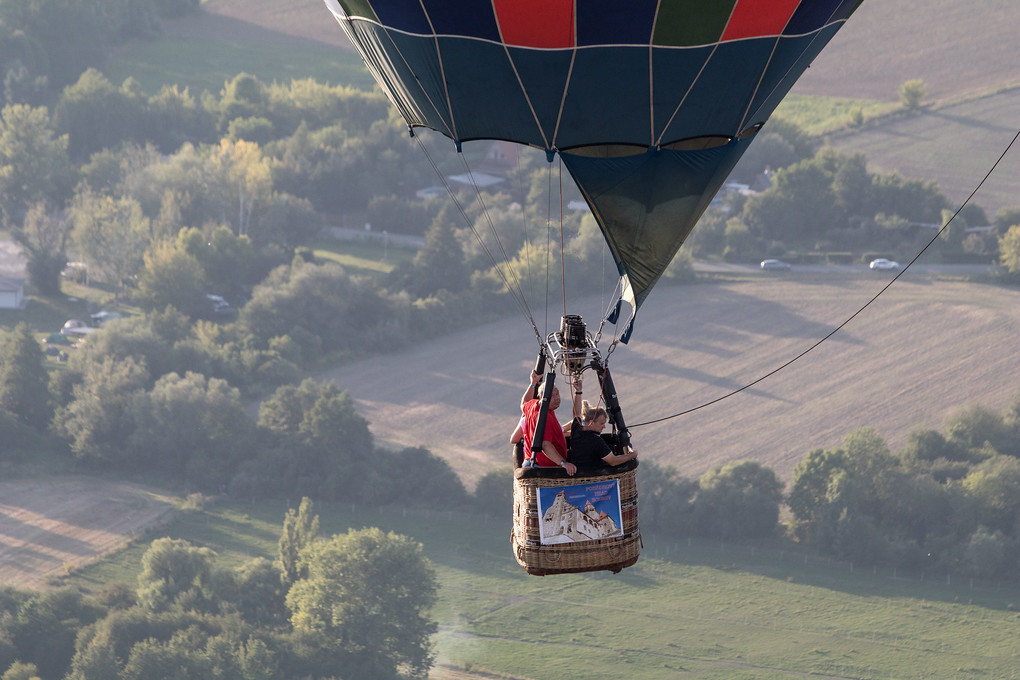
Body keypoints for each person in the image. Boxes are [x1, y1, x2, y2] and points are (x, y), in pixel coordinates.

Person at [520, 370, 580, 475]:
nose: (557, 398)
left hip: (531, 463)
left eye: (557, 394)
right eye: (552, 396)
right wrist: (563, 463)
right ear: (542, 398)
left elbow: (523, 403)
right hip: (542, 468)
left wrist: (533, 384)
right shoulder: (545, 416)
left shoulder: (533, 405)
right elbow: (545, 445)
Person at [568, 401, 638, 472]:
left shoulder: (576, 428)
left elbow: (576, 413)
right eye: (601, 424)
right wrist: (632, 455)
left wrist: (578, 391)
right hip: (592, 476)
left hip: (578, 471)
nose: (604, 427)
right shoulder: (595, 440)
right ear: (591, 423)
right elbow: (613, 461)